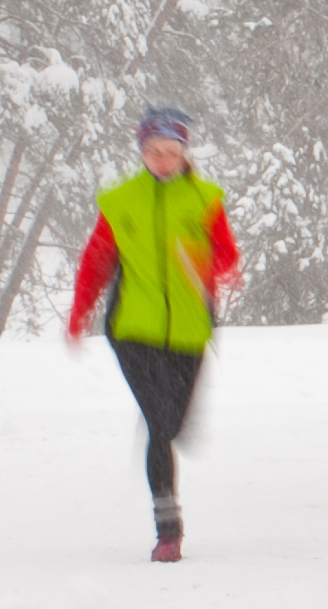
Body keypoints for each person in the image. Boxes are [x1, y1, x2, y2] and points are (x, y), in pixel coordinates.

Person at [66, 104, 241, 563]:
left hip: (188, 331)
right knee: (160, 427)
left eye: (171, 151)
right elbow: (96, 261)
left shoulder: (204, 199)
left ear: (185, 153)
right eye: (153, 151)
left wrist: (204, 263)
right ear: (141, 152)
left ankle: (162, 422)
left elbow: (227, 259)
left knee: (173, 424)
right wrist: (79, 312)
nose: (162, 160)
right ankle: (168, 531)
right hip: (132, 330)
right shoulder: (122, 201)